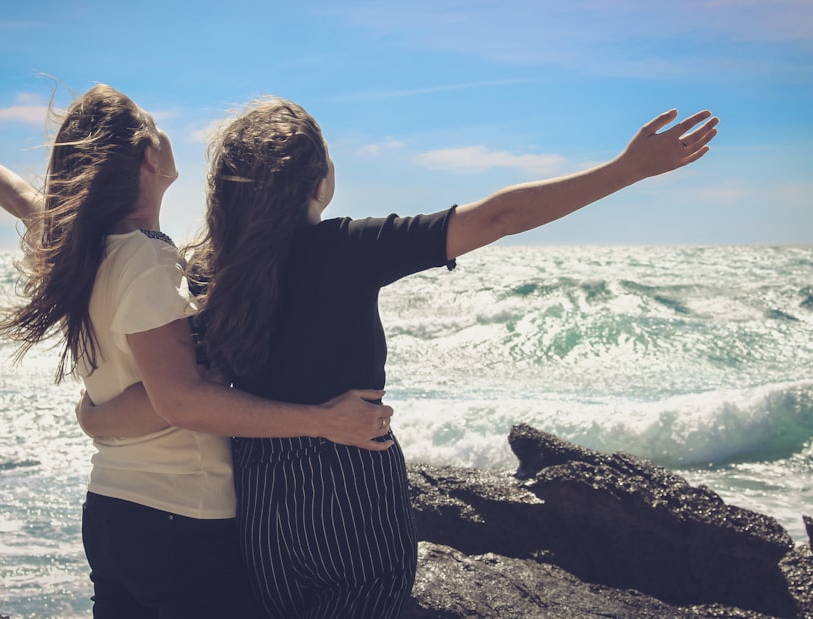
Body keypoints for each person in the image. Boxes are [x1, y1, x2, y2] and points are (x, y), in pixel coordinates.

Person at [82, 96, 720, 618]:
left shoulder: (209, 271)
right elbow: (500, 215)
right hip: (350, 483)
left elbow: (173, 390)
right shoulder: (353, 247)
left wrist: (95, 419)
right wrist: (628, 168)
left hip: (263, 502)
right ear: (320, 180)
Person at [0, 87, 395, 618]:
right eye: (159, 128)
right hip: (181, 519)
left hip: (112, 512)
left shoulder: (79, 244)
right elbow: (179, 401)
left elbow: (25, 201)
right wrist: (324, 422)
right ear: (150, 156)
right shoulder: (145, 258)